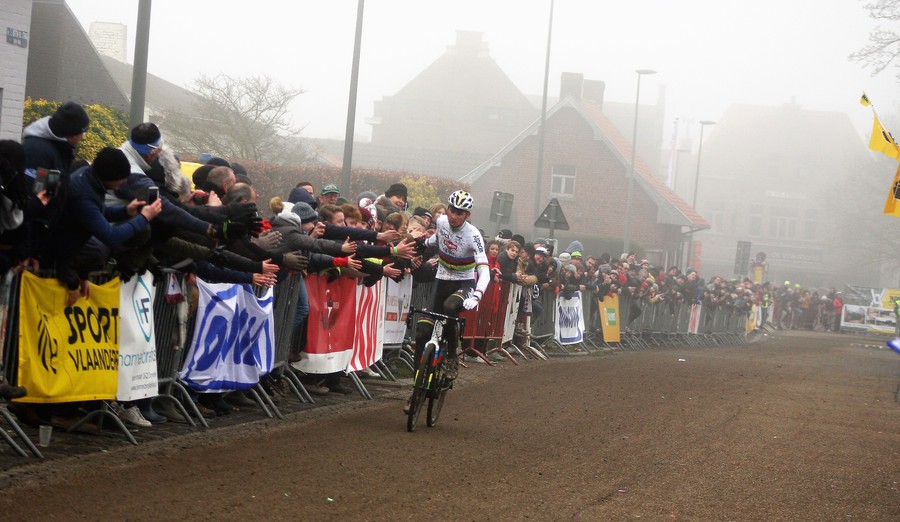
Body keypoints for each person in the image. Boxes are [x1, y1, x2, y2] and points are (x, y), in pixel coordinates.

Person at [404, 190, 489, 414]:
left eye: (459, 212)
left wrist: (477, 295)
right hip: (441, 282)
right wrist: (416, 247)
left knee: (451, 308)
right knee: (422, 334)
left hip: (464, 284)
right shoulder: (441, 222)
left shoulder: (474, 236)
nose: (453, 215)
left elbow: (485, 271)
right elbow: (433, 242)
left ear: (467, 215)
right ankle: (415, 388)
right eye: (452, 209)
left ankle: (451, 356)